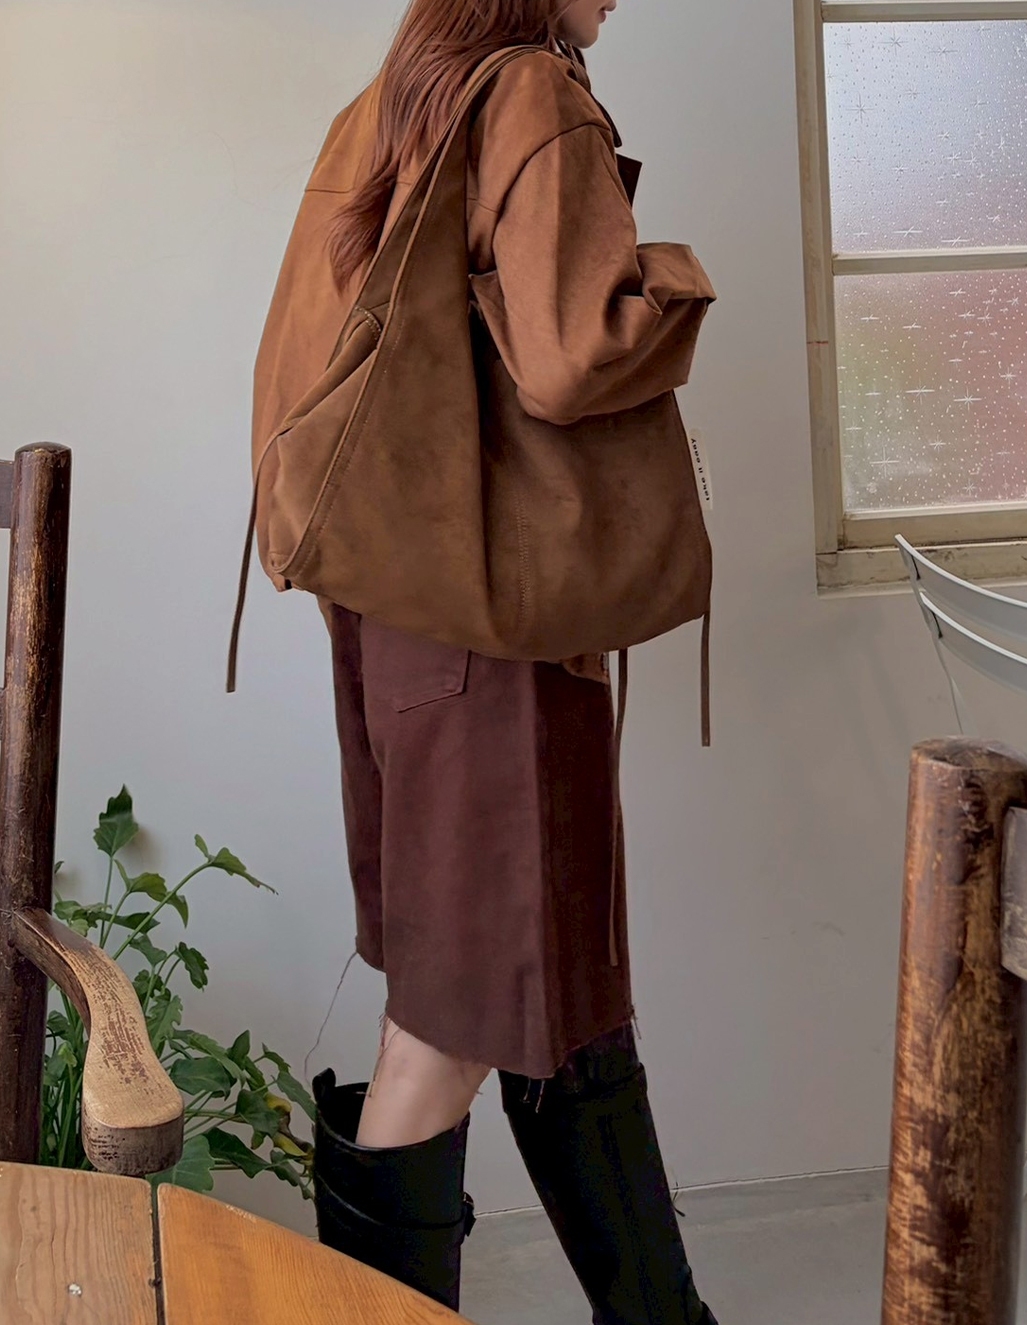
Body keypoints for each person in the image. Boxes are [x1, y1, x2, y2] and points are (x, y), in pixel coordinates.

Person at [251, 1, 718, 1321]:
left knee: (567, 1007)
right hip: (495, 645)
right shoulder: (528, 92)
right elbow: (573, 358)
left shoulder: (389, 104)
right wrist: (676, 277)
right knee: (447, 1031)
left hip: (400, 623)